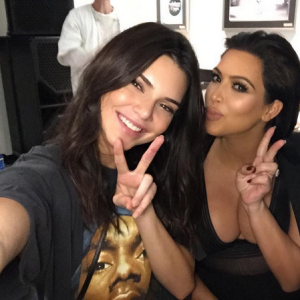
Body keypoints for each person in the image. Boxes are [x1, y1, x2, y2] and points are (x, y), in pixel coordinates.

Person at [0, 22, 205, 300]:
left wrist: (143, 213)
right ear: (107, 73)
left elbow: (182, 286)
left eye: (166, 106)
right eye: (137, 84)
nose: (145, 112)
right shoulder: (47, 174)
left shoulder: (162, 170)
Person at [192, 31, 300, 299]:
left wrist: (256, 209)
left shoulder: (293, 165)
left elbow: (293, 280)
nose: (214, 94)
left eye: (239, 86)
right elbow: (180, 277)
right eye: (217, 78)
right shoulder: (186, 158)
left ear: (270, 110)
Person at [57, 0, 120, 93]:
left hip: (117, 94)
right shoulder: (76, 16)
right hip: (87, 96)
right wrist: (96, 62)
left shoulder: (124, 20)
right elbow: (67, 52)